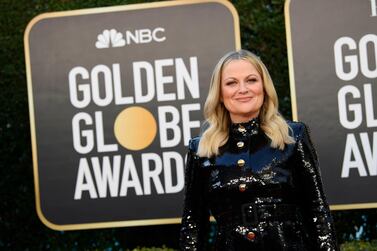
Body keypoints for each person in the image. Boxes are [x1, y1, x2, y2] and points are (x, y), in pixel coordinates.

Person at [179, 50, 339, 250]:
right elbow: (193, 224)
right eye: (231, 83)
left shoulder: (293, 136)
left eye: (251, 80)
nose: (243, 89)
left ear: (264, 87)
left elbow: (317, 211)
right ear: (219, 94)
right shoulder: (201, 149)